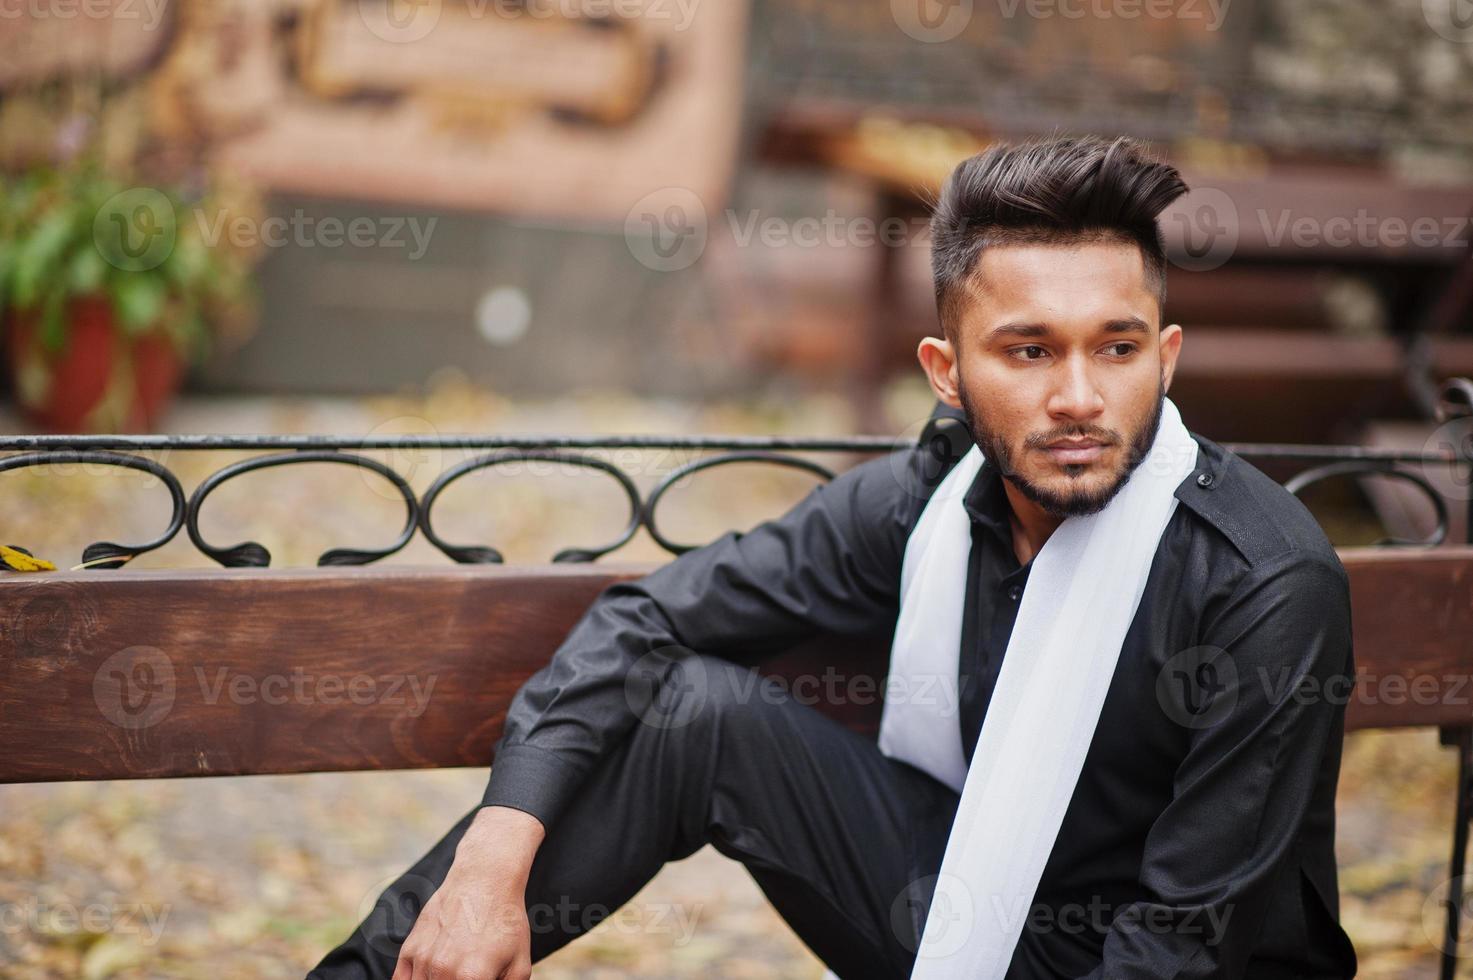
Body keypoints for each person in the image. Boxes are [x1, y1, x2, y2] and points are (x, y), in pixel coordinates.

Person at [309, 135, 1359, 980]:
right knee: (694, 712)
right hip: (965, 910)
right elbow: (650, 620)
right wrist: (490, 865)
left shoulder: (1263, 581)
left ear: (1165, 356)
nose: (1080, 395)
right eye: (1029, 348)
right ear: (946, 372)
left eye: (1118, 346)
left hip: (1164, 957)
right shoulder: (932, 504)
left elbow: (1180, 944)